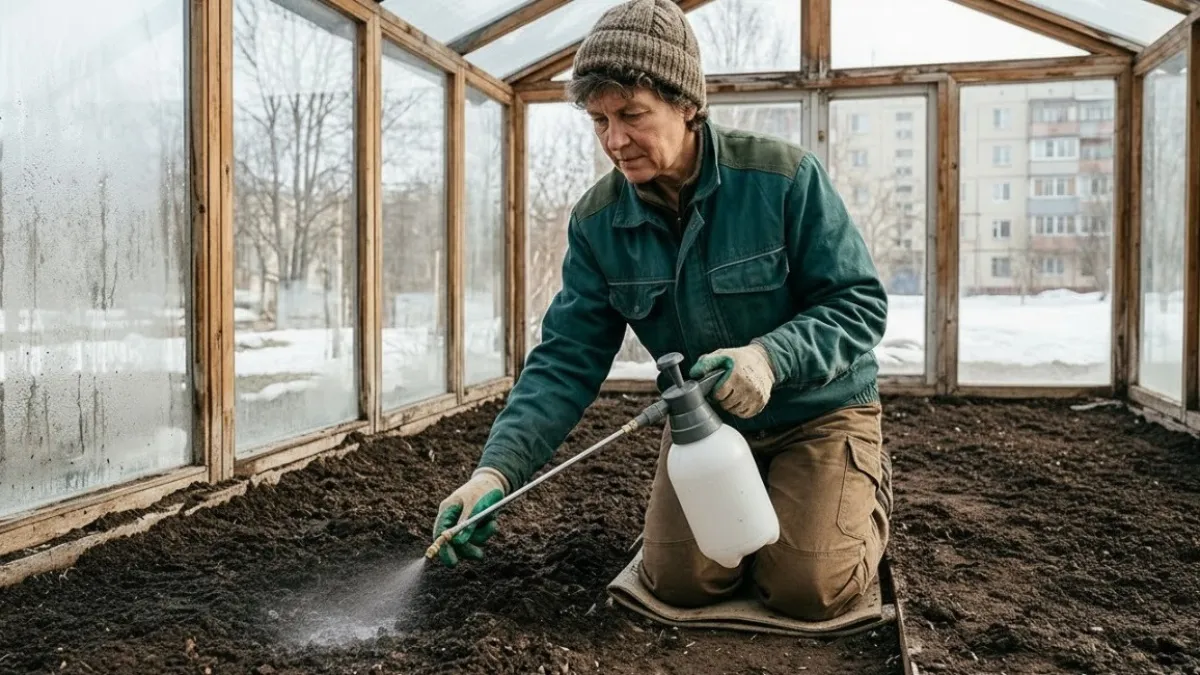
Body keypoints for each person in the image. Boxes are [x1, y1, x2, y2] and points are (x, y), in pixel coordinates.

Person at [432, 0, 892, 622]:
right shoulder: (598, 222)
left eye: (632, 115)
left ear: (687, 105)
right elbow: (565, 359)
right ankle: (776, 511)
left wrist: (769, 358)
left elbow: (858, 303)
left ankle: (857, 486)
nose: (614, 141)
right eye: (599, 120)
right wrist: (495, 472)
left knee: (807, 586)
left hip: (820, 415)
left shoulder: (783, 179)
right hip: (708, 428)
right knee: (680, 583)